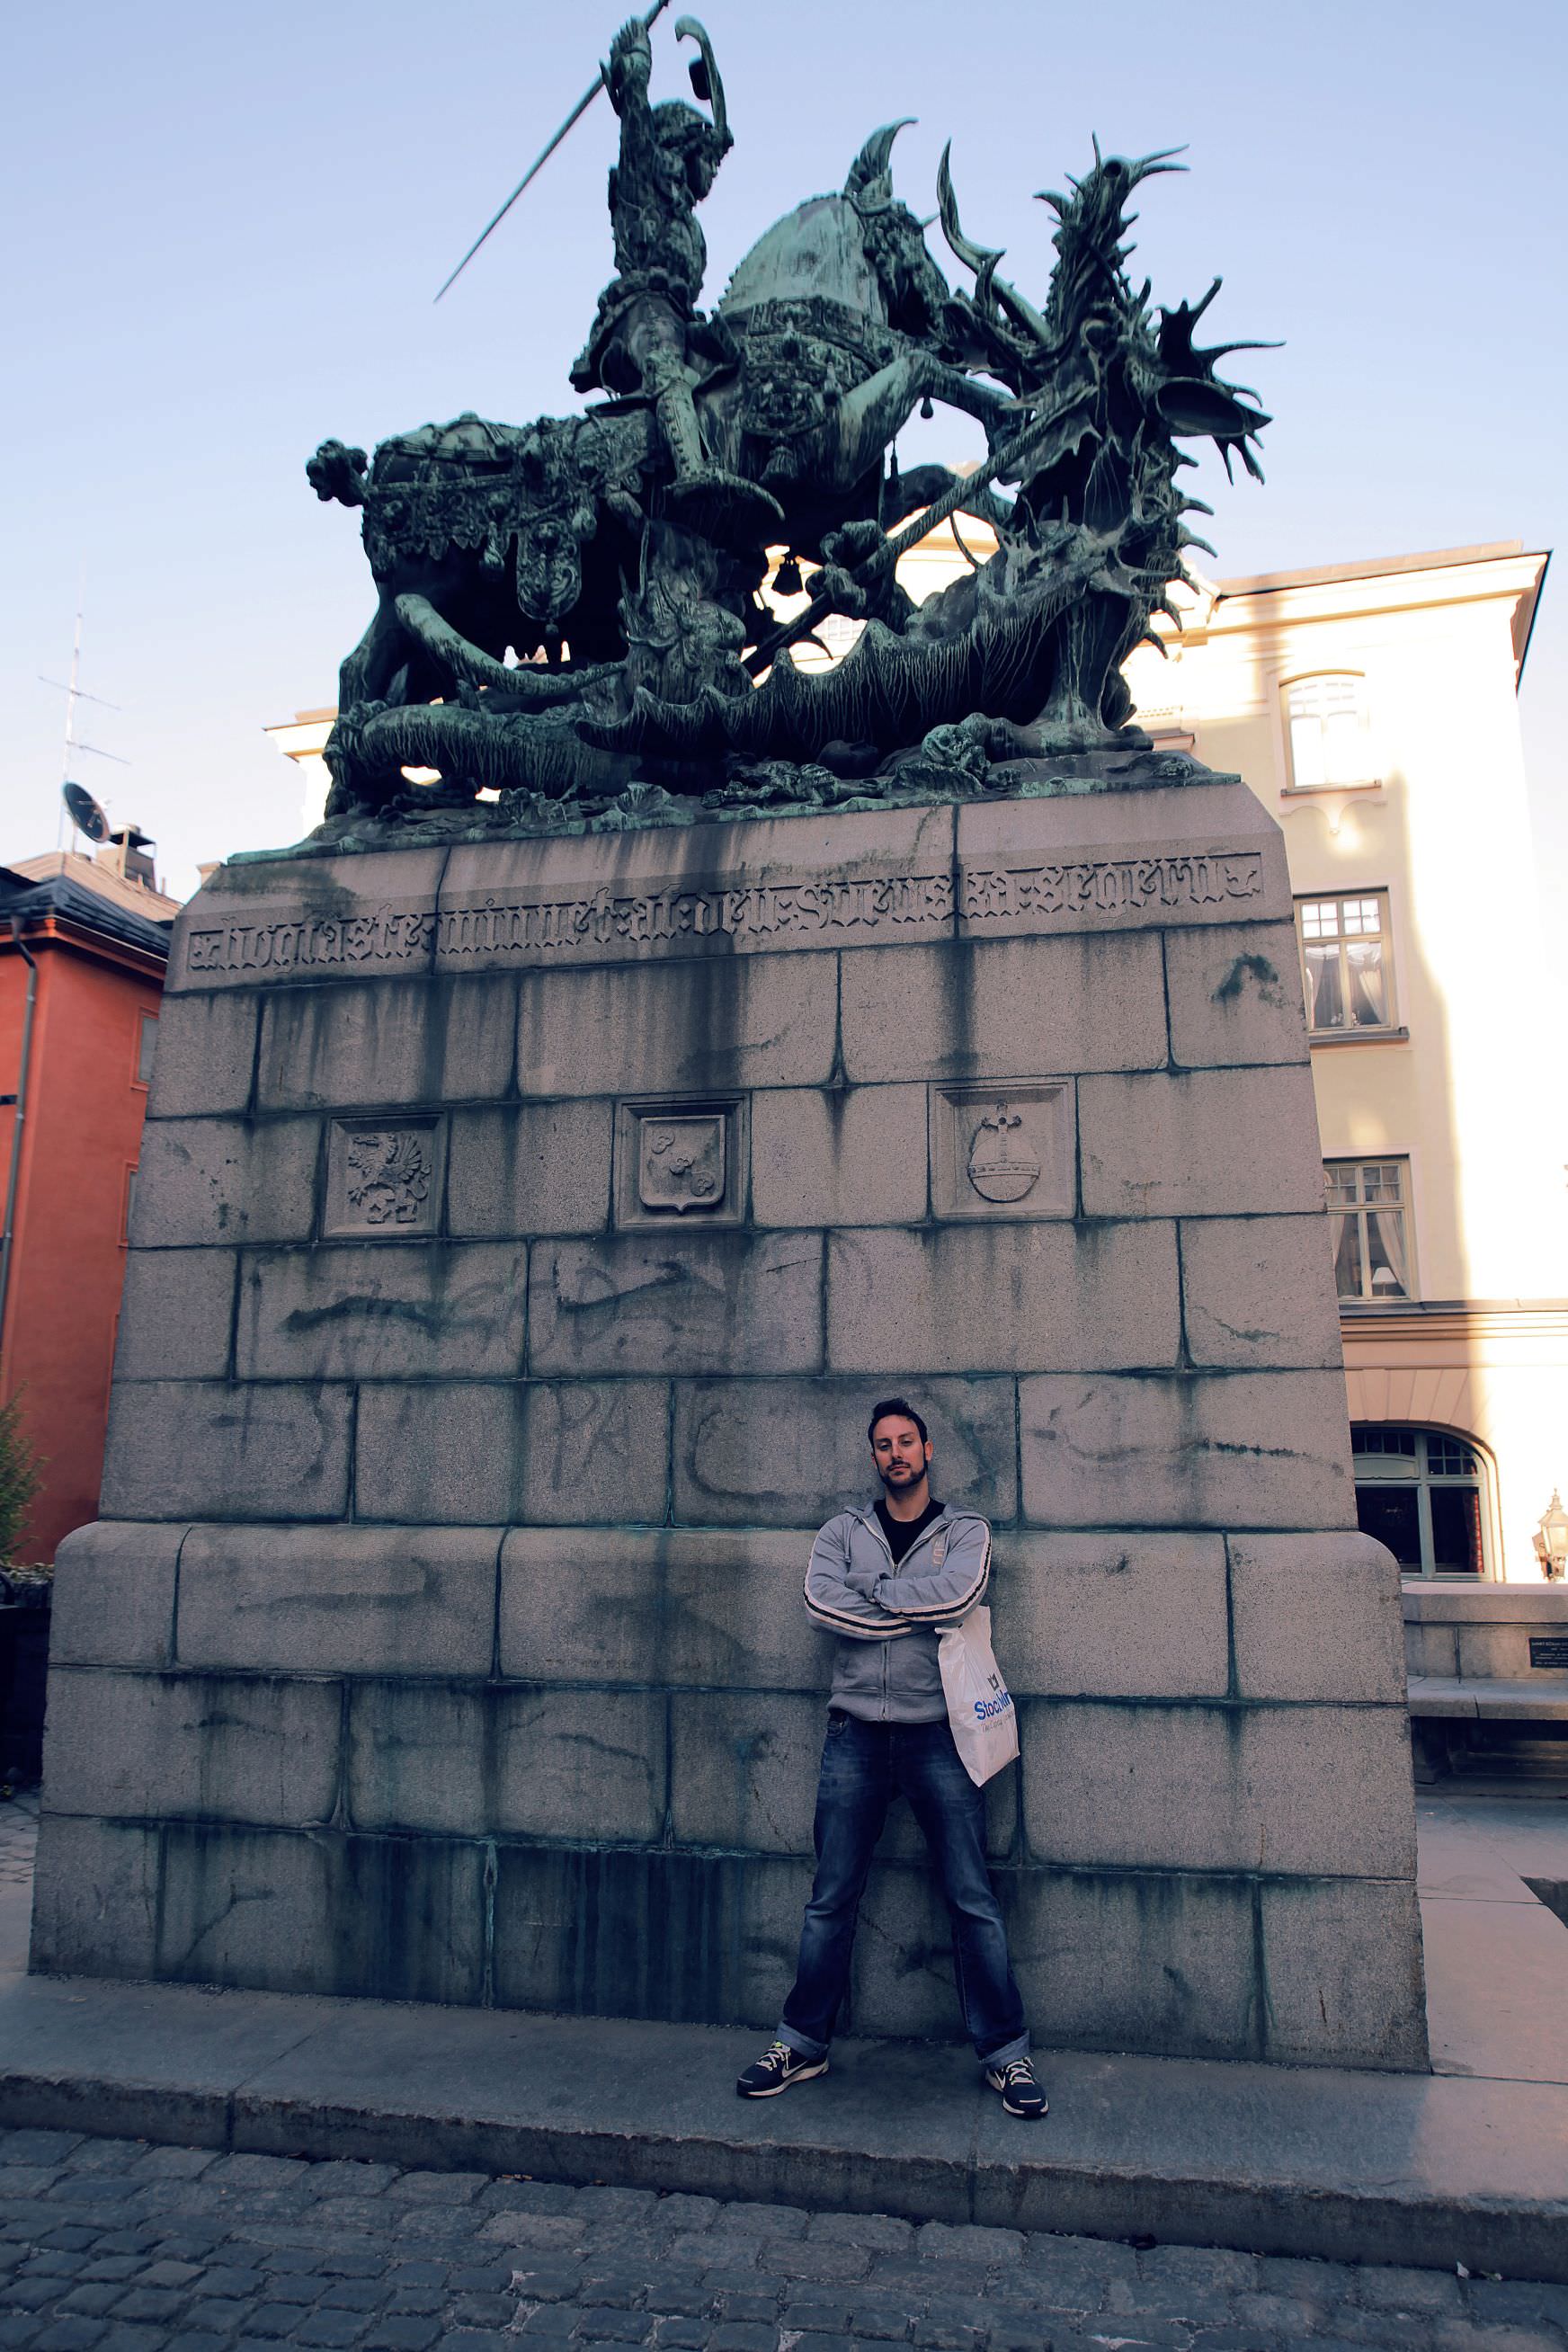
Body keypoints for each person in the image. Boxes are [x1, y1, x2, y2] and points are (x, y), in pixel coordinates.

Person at [735, 1399, 1047, 2119]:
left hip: (940, 1733)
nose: (896, 1453)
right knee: (830, 1898)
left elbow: (962, 1595)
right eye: (884, 1445)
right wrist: (915, 1602)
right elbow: (821, 1604)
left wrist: (874, 1591)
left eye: (907, 1441)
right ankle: (802, 2044)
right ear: (873, 1456)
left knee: (971, 1898)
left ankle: (1007, 2054)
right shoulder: (843, 1531)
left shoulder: (966, 1530)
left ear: (929, 1450)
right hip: (856, 1736)